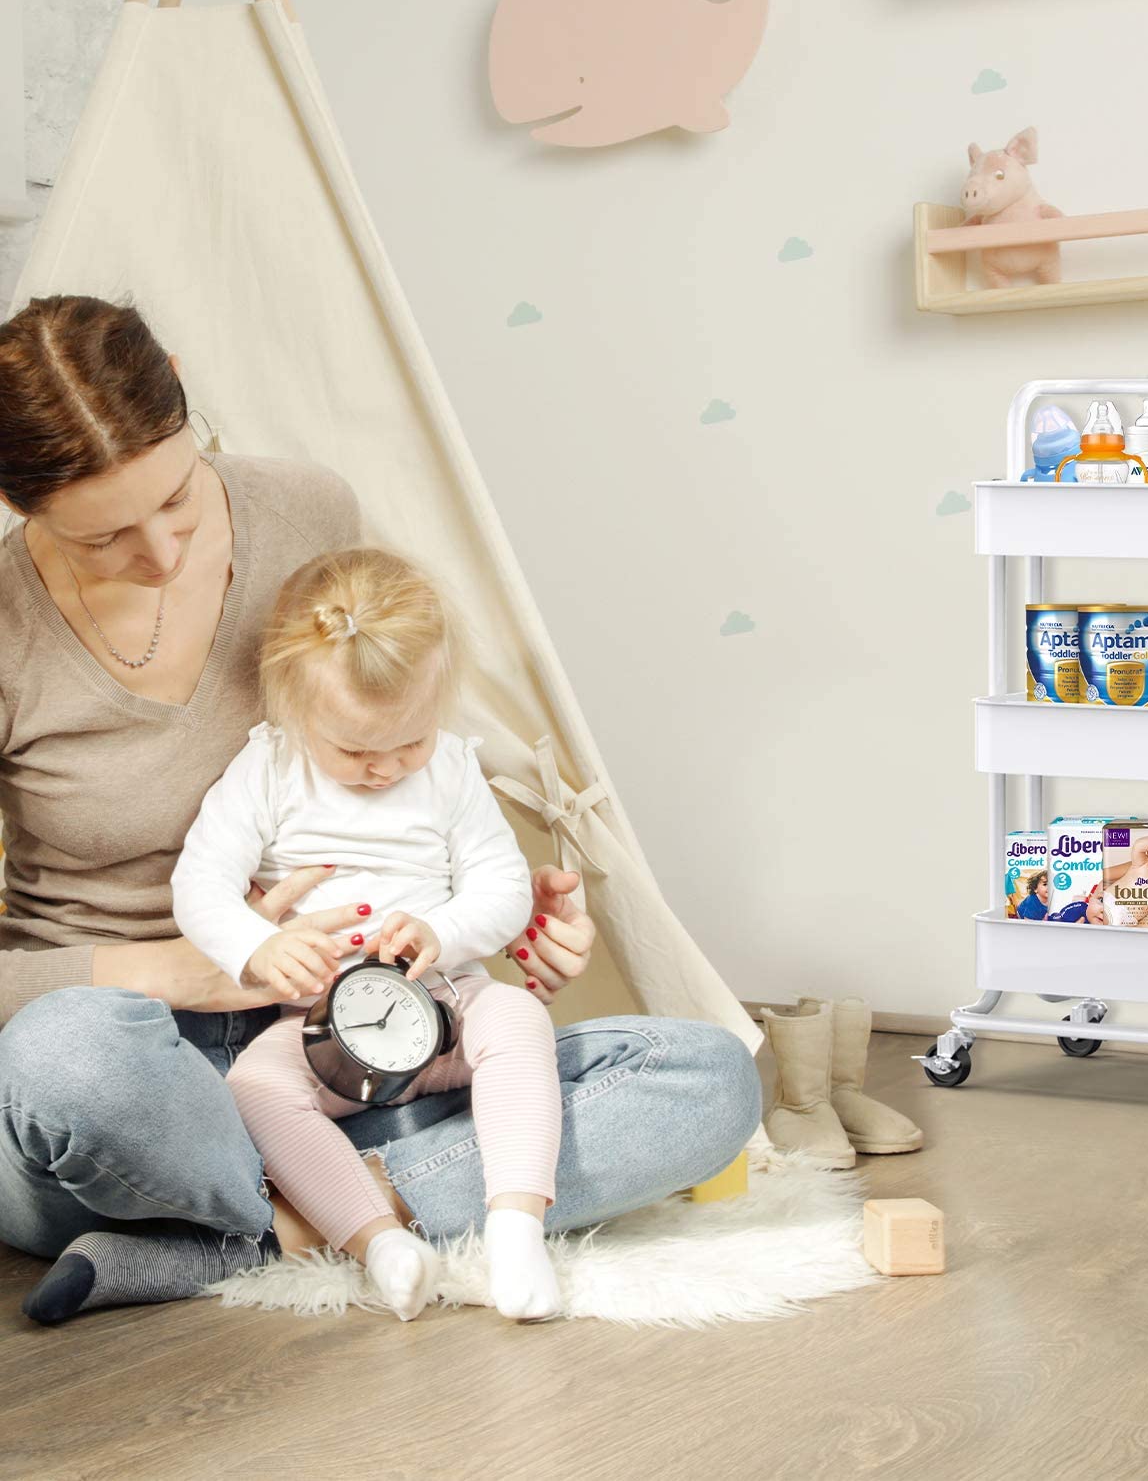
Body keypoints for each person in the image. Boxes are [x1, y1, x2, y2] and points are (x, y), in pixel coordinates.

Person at [0, 294, 760, 1324]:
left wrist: (493, 914)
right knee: (64, 1069)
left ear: (183, 385)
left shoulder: (306, 510)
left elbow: (400, 742)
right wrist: (177, 969)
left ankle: (264, 1226)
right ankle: (337, 1202)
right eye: (105, 541)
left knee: (706, 1075)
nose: (165, 554)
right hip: (141, 1072)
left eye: (177, 497)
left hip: (376, 1025)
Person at [176, 548, 564, 1322]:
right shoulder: (270, 770)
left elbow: (504, 886)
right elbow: (198, 885)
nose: (386, 769)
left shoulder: (452, 770)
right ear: (291, 707)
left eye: (409, 742)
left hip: (447, 1003)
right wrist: (257, 946)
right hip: (325, 1038)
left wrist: (442, 928)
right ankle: (379, 1241)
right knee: (252, 1088)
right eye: (355, 751)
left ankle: (517, 1228)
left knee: (520, 1019)